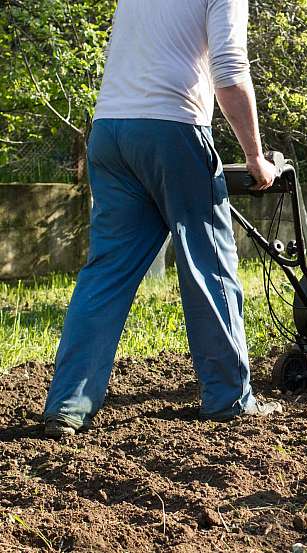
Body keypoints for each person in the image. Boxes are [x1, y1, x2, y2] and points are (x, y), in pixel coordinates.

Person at [42, 0, 279, 438]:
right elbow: (229, 69)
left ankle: (67, 407)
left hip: (111, 132)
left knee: (106, 273)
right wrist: (255, 157)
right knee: (208, 265)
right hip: (173, 128)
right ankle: (229, 398)